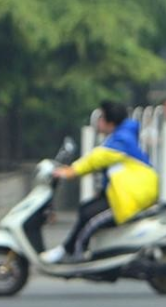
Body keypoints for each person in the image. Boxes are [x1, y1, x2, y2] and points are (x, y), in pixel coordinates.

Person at [41, 100, 160, 264]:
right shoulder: (122, 135)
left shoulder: (120, 140)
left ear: (110, 122)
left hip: (130, 199)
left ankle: (75, 254)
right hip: (125, 194)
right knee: (85, 209)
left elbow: (96, 159)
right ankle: (70, 250)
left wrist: (69, 171)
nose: (98, 121)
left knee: (90, 217)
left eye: (101, 117)